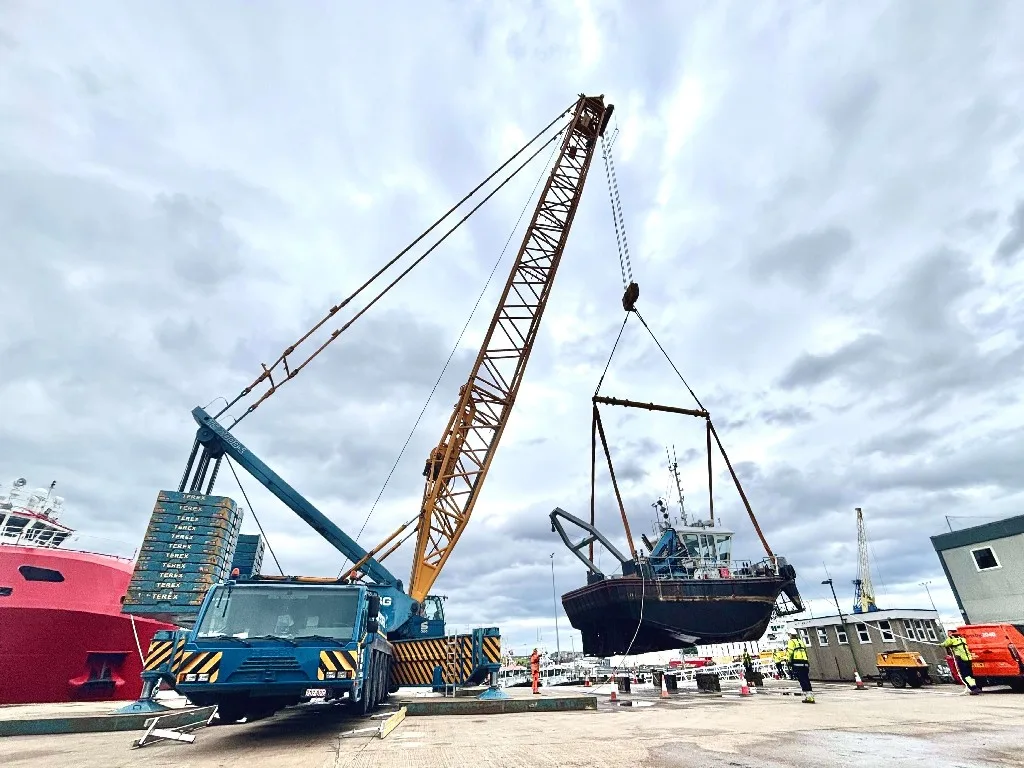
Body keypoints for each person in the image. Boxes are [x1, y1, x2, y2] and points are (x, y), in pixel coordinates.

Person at [941, 630, 980, 694]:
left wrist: (940, 645)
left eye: (949, 633)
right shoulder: (962, 639)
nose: (948, 634)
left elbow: (945, 644)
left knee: (965, 675)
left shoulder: (951, 639)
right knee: (970, 674)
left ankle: (974, 688)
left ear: (951, 633)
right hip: (968, 659)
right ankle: (976, 687)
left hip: (961, 659)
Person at [787, 630, 814, 703]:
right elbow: (805, 651)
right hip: (805, 662)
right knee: (806, 679)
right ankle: (811, 696)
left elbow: (790, 652)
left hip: (797, 662)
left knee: (802, 680)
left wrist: (788, 661)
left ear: (790, 635)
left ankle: (808, 697)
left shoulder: (791, 642)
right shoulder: (800, 641)